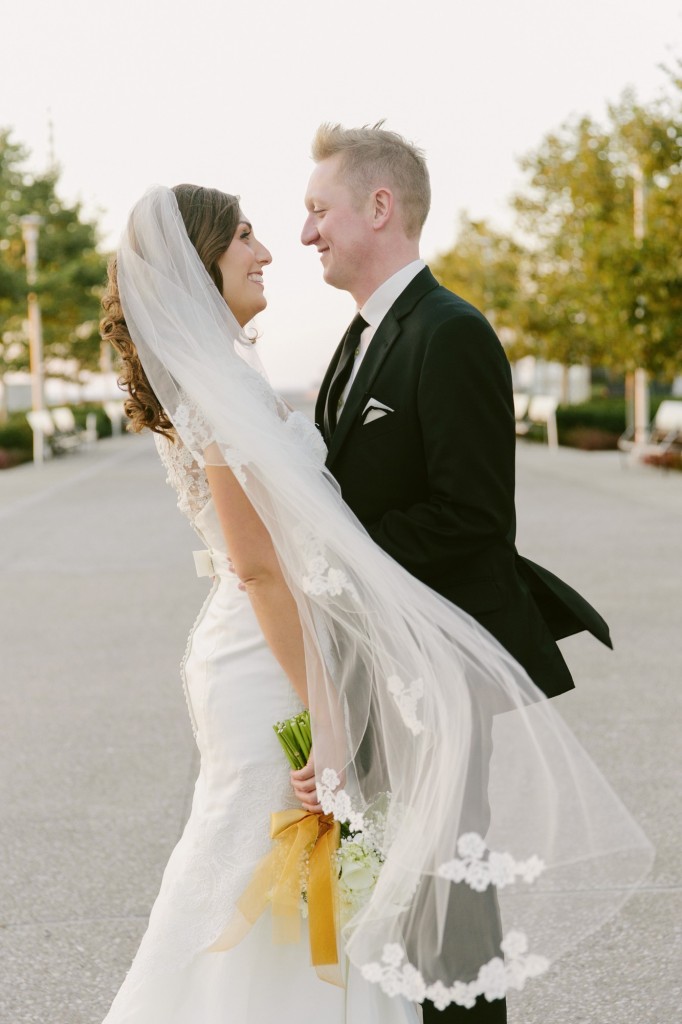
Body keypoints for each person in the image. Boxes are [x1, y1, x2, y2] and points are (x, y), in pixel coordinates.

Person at [99, 182, 650, 1023]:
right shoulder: (218, 391)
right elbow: (261, 571)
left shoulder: (226, 378)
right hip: (273, 658)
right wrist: (327, 717)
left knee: (304, 879)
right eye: (245, 235)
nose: (272, 247)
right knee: (266, 861)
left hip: (287, 651)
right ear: (200, 262)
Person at [297, 122, 615, 1021]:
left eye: (320, 210)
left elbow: (474, 517)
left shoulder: (451, 331)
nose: (308, 232)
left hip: (436, 669)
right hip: (377, 663)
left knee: (450, 899)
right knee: (397, 896)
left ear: (380, 206)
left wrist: (340, 553)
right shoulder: (360, 339)